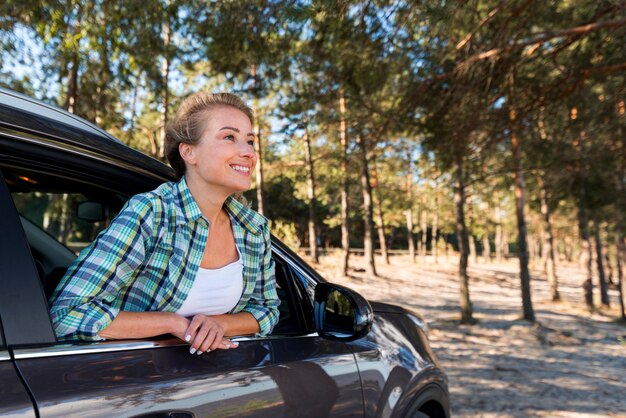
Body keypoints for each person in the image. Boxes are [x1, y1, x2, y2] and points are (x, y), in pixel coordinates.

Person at [49, 92, 279, 355]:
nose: (248, 152)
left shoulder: (253, 229)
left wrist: (220, 324)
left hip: (220, 384)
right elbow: (66, 315)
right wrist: (173, 323)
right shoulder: (152, 213)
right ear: (189, 152)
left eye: (250, 141)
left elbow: (267, 310)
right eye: (229, 137)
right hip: (140, 383)